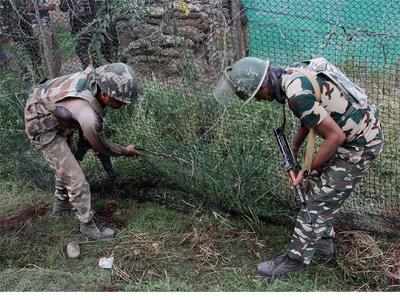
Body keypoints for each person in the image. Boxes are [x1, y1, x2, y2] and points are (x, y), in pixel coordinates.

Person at [214, 57, 384, 279]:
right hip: (353, 135)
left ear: (264, 85)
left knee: (316, 200)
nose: (258, 100)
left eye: (256, 95)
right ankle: (323, 246)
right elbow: (312, 115)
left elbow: (335, 136)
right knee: (314, 188)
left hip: (359, 144)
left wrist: (307, 168)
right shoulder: (291, 76)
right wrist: (295, 146)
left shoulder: (296, 96)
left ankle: (294, 261)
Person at [24, 62, 141, 240]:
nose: (123, 105)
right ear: (105, 95)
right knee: (77, 178)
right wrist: (125, 151)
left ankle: (61, 205)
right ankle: (87, 225)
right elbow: (103, 147)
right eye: (120, 101)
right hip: (41, 123)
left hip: (56, 110)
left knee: (68, 163)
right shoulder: (87, 116)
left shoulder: (97, 79)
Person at [59, 0, 119, 69]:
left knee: (98, 45)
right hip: (80, 24)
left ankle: (102, 67)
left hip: (92, 21)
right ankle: (90, 69)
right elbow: (63, 7)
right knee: (83, 48)